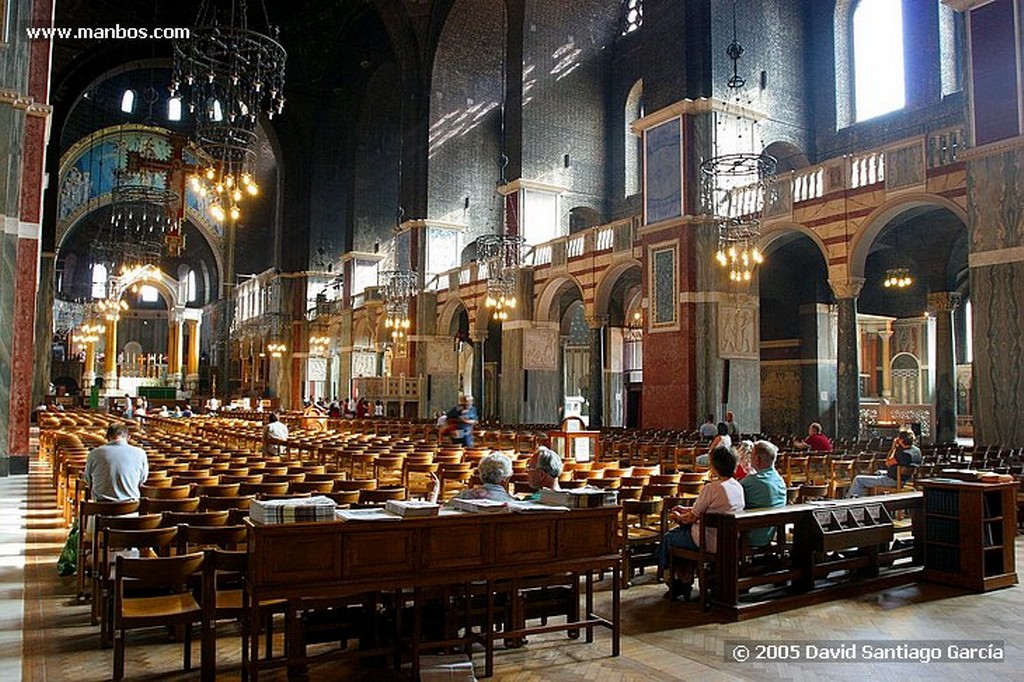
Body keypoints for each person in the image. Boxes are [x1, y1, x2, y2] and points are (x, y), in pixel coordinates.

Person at [658, 445, 744, 600]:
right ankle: (684, 580)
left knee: (669, 538)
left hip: (706, 541)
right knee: (681, 536)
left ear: (715, 466)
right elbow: (707, 509)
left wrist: (678, 516)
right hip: (727, 540)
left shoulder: (711, 488)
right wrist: (687, 509)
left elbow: (692, 518)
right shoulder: (737, 486)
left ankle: (673, 581)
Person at [83, 423, 148, 502]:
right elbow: (142, 479)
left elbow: (88, 480)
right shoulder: (140, 453)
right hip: (130, 510)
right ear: (128, 437)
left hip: (100, 509)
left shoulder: (94, 453)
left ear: (107, 437)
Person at [847, 429, 922, 498]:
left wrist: (893, 448)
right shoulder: (917, 451)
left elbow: (888, 462)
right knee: (878, 472)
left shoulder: (903, 454)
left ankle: (851, 500)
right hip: (908, 480)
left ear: (901, 440)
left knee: (858, 479)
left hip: (893, 480)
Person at [739, 440, 788, 546]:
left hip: (749, 537)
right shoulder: (780, 481)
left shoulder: (751, 482)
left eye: (751, 455)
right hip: (770, 534)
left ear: (758, 459)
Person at [430, 451, 516, 504]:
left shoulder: (461, 497)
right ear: (506, 478)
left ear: (481, 474)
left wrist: (433, 495)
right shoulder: (512, 503)